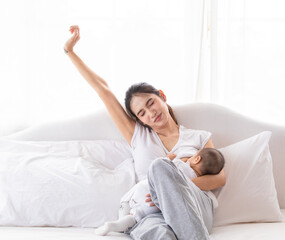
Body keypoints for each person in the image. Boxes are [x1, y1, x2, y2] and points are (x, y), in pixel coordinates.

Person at [64, 25, 226, 240]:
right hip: (150, 213)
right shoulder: (138, 135)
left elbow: (219, 178)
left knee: (161, 167)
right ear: (138, 119)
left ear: (162, 96)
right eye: (142, 113)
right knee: (158, 232)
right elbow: (103, 90)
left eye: (151, 103)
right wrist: (70, 52)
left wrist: (169, 190)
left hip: (194, 205)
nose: (151, 113)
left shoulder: (199, 137)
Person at [95, 148, 225, 236]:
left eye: (193, 155)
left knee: (133, 211)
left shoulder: (180, 165)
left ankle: (119, 223)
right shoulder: (203, 186)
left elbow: (164, 167)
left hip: (146, 195)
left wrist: (168, 159)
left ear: (196, 159)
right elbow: (214, 202)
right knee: (146, 223)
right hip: (163, 209)